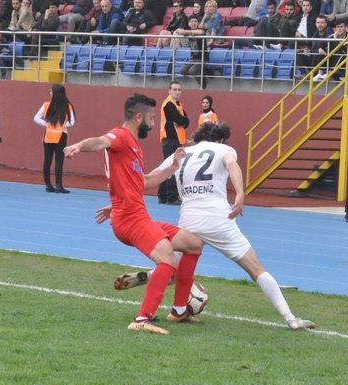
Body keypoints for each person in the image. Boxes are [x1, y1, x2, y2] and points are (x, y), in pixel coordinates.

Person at [115, 122, 316, 330]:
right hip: (220, 219)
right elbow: (232, 165)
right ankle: (290, 318)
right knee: (256, 270)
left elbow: (144, 181)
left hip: (189, 219)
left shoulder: (182, 153)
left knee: (172, 268)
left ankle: (160, 287)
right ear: (220, 139)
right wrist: (239, 193)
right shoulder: (224, 149)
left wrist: (119, 204)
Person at [64, 93, 204, 335]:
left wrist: (173, 167)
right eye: (151, 117)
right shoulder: (120, 136)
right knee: (167, 258)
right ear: (138, 116)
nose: (153, 123)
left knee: (193, 244)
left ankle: (179, 310)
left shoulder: (134, 146)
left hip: (133, 213)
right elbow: (99, 141)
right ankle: (142, 319)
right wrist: (78, 145)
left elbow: (144, 182)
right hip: (129, 218)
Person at [33, 84, 75, 193]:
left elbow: (36, 118)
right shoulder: (68, 106)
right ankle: (58, 185)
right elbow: (72, 122)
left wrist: (47, 124)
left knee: (47, 160)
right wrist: (61, 125)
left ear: (55, 93)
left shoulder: (46, 105)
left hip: (48, 135)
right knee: (59, 160)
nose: (49, 93)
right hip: (61, 135)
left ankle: (48, 185)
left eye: (51, 91)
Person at [158, 81, 189, 205]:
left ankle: (162, 195)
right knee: (173, 167)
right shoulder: (169, 104)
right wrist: (183, 121)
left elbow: (185, 121)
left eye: (179, 90)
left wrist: (184, 121)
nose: (177, 92)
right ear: (169, 91)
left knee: (167, 166)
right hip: (171, 139)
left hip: (176, 139)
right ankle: (171, 197)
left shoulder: (178, 104)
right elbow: (180, 119)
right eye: (174, 89)